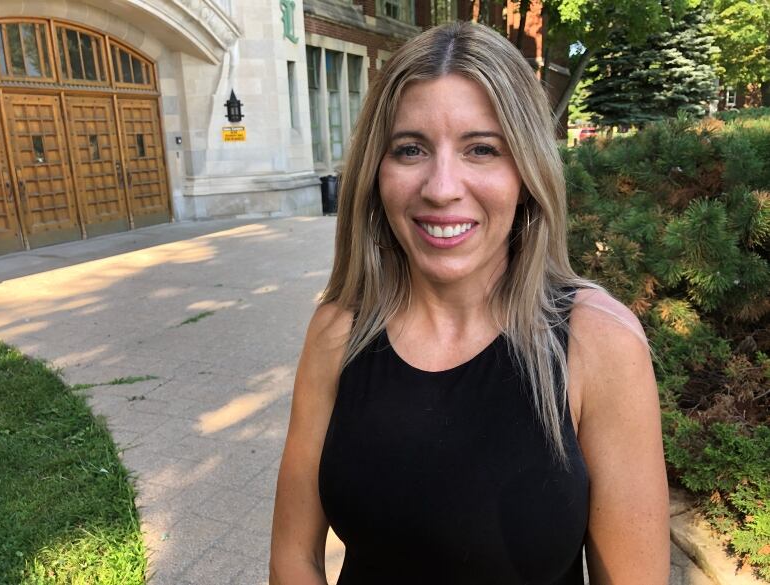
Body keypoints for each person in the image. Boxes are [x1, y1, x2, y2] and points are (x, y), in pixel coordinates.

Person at [269, 21, 669, 585]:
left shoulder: (598, 341)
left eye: (481, 149)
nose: (441, 187)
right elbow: (294, 557)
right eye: (410, 149)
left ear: (527, 173)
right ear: (376, 172)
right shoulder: (338, 331)